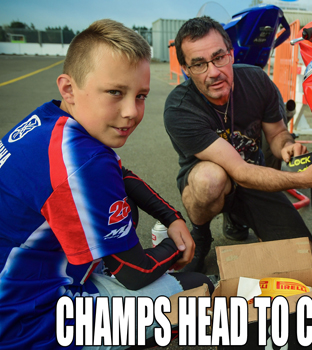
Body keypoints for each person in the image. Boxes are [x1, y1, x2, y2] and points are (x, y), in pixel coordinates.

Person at [0, 19, 212, 349]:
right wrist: (177, 246)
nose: (131, 112)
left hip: (15, 289)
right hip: (27, 324)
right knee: (196, 290)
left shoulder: (50, 119)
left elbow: (120, 174)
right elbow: (134, 271)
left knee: (119, 210)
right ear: (68, 88)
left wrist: (172, 217)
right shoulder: (83, 161)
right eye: (115, 92)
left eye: (140, 96)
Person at [164, 16, 312, 273]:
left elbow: (277, 134)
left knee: (301, 252)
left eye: (219, 58)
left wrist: (285, 146)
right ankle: (201, 234)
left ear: (231, 54)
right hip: (213, 183)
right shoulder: (179, 108)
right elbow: (239, 173)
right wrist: (306, 179)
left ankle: (238, 218)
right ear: (186, 69)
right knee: (211, 178)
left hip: (255, 178)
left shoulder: (257, 81)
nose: (213, 72)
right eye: (199, 64)